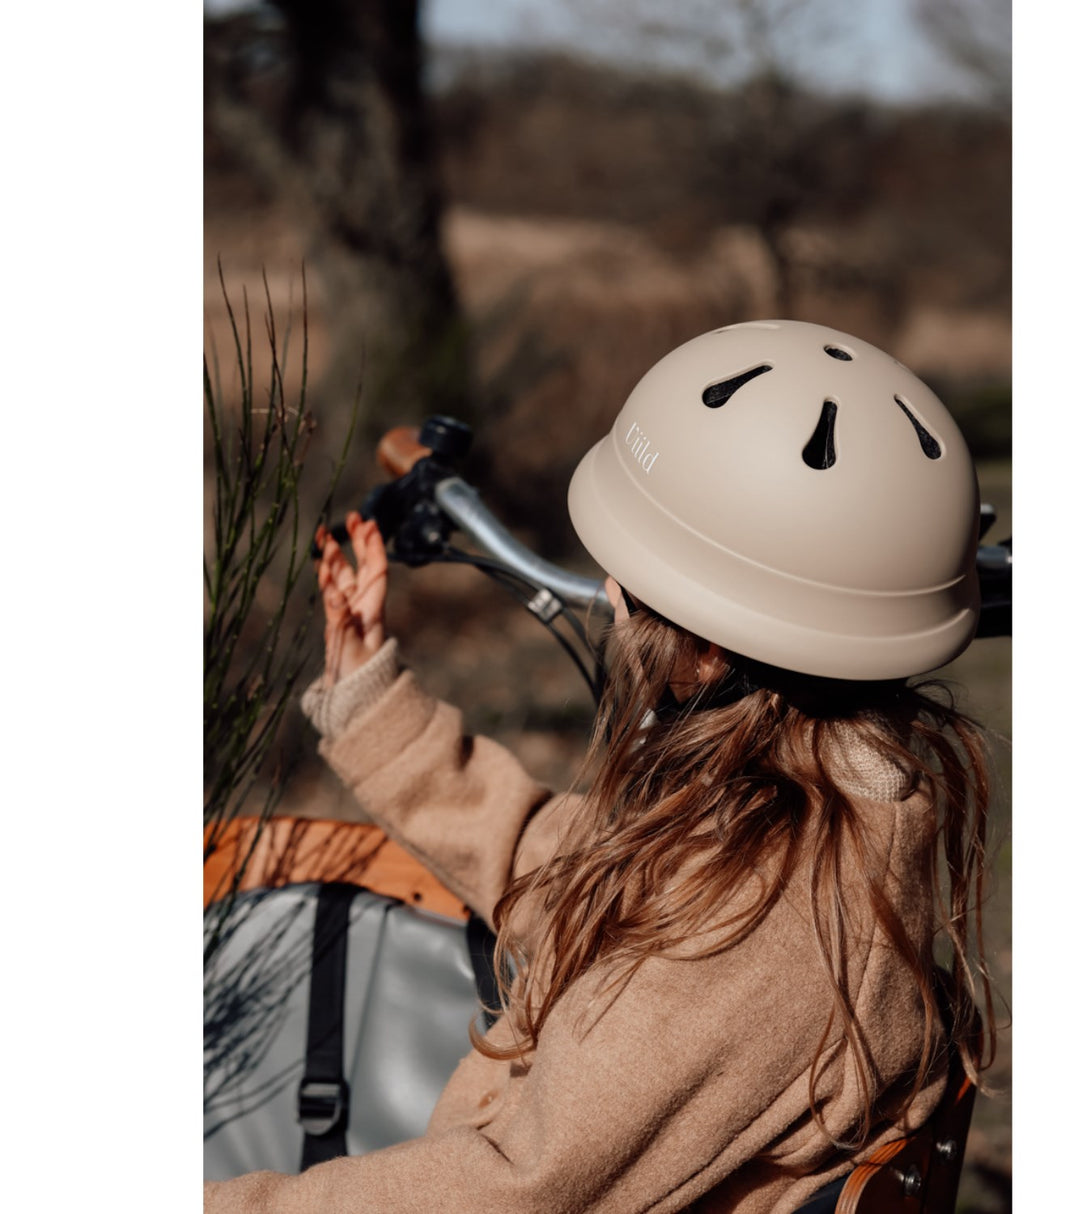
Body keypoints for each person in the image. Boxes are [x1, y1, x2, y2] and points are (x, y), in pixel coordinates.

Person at [205, 320, 995, 1213]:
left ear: (703, 653)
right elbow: (587, 875)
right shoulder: (807, 820)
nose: (609, 597)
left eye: (624, 583)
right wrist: (376, 709)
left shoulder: (751, 932)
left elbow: (515, 1190)